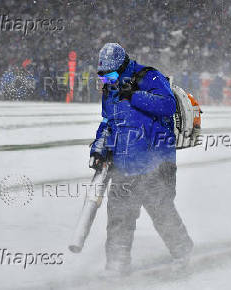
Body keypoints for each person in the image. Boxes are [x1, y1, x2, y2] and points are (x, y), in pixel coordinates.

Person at [89, 43, 194, 276]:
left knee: (162, 212)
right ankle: (116, 266)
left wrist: (134, 95)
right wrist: (98, 148)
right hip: (123, 165)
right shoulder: (109, 89)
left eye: (113, 75)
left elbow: (168, 105)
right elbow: (108, 122)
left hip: (155, 162)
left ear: (124, 66)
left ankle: (183, 254)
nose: (109, 81)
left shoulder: (149, 76)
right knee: (119, 218)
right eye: (105, 77)